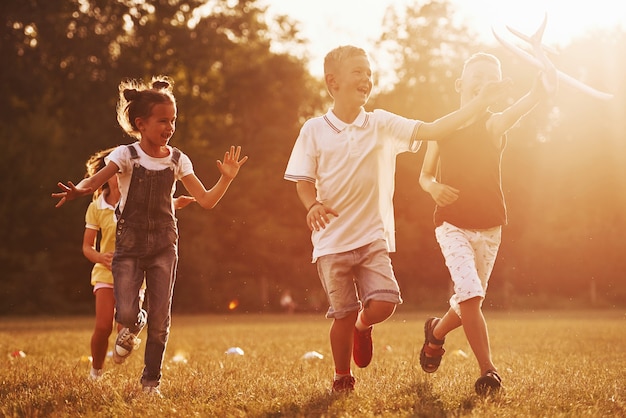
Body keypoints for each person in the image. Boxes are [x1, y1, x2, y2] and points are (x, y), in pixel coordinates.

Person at [284, 45, 511, 393]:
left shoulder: (381, 124)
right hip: (330, 241)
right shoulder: (314, 130)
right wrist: (312, 205)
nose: (366, 78)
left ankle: (364, 324)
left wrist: (480, 103)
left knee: (386, 303)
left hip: (373, 237)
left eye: (369, 72)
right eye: (358, 71)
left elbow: (435, 129)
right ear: (333, 82)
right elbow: (303, 181)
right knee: (340, 314)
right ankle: (342, 376)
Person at [53, 76, 248, 396]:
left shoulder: (178, 159)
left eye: (173, 120)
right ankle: (135, 320)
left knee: (161, 319)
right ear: (141, 124)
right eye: (162, 120)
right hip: (129, 243)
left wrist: (225, 180)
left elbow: (207, 201)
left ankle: (150, 382)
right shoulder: (125, 155)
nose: (169, 127)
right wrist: (78, 190)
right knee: (127, 314)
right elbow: (97, 180)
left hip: (164, 244)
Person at [418, 52, 556, 395]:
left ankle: (435, 332)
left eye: (491, 79)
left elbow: (522, 107)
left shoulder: (494, 123)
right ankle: (489, 371)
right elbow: (424, 174)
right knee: (470, 295)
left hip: (490, 228)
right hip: (451, 225)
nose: (483, 83)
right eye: (476, 77)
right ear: (460, 85)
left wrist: (541, 89)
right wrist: (433, 187)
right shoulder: (443, 127)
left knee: (469, 301)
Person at [82, 147, 194, 381]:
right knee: (103, 326)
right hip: (105, 274)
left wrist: (175, 203)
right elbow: (87, 247)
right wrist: (99, 257)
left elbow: (156, 206)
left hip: (134, 270)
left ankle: (136, 322)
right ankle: (96, 372)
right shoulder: (96, 208)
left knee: (125, 328)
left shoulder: (135, 201)